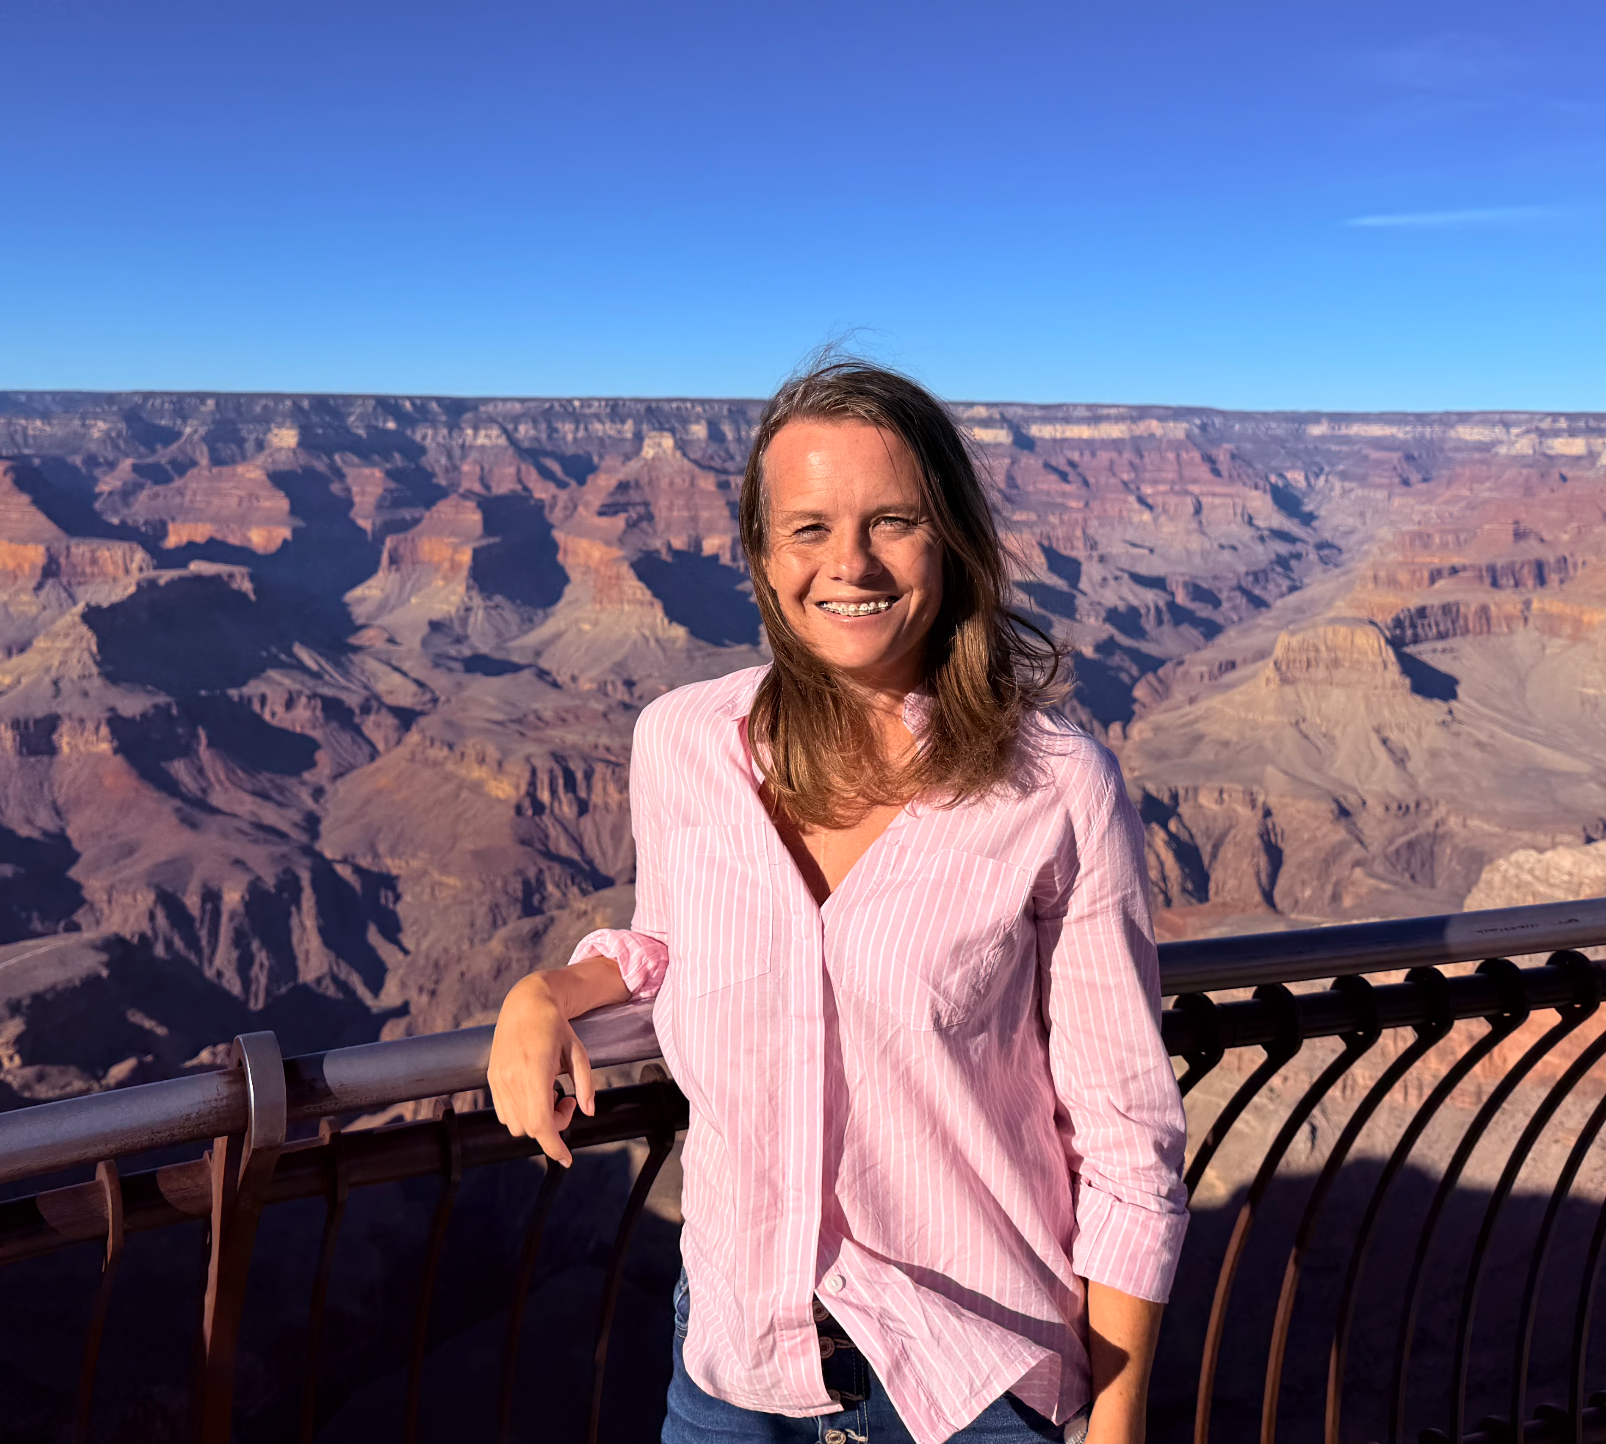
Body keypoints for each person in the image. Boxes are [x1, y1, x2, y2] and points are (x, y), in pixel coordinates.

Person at [488, 360, 1188, 1444]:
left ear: (949, 540)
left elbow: (1125, 1133)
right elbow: (687, 953)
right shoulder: (681, 745)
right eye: (807, 527)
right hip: (734, 1365)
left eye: (892, 521)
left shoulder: (1054, 786)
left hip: (975, 1381)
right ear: (763, 556)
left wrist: (1119, 1416)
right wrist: (549, 992)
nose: (848, 563)